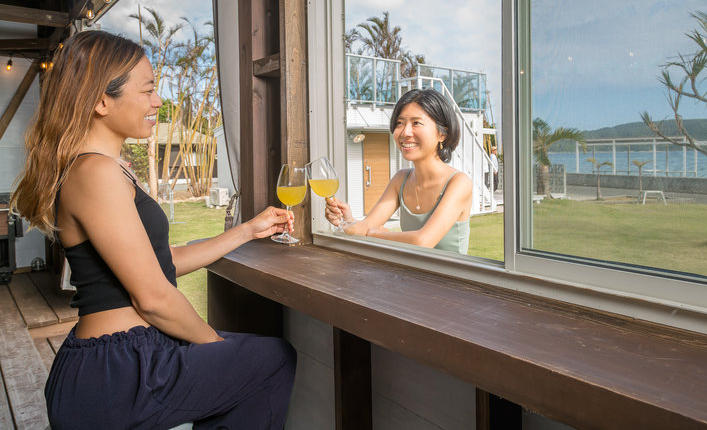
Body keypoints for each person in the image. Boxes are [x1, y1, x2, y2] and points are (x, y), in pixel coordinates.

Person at [10, 32, 297, 430]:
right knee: (269, 360)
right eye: (147, 91)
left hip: (124, 360)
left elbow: (163, 264)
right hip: (120, 370)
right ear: (101, 100)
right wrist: (215, 346)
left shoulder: (102, 168)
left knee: (259, 359)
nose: (158, 102)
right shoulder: (95, 172)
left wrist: (247, 230)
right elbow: (152, 297)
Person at [325, 88, 472, 254]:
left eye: (417, 123)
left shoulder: (459, 183)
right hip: (410, 277)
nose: (404, 132)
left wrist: (382, 235)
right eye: (400, 123)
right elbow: (367, 227)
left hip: (451, 279)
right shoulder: (401, 179)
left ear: (442, 134)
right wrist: (348, 222)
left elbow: (423, 241)